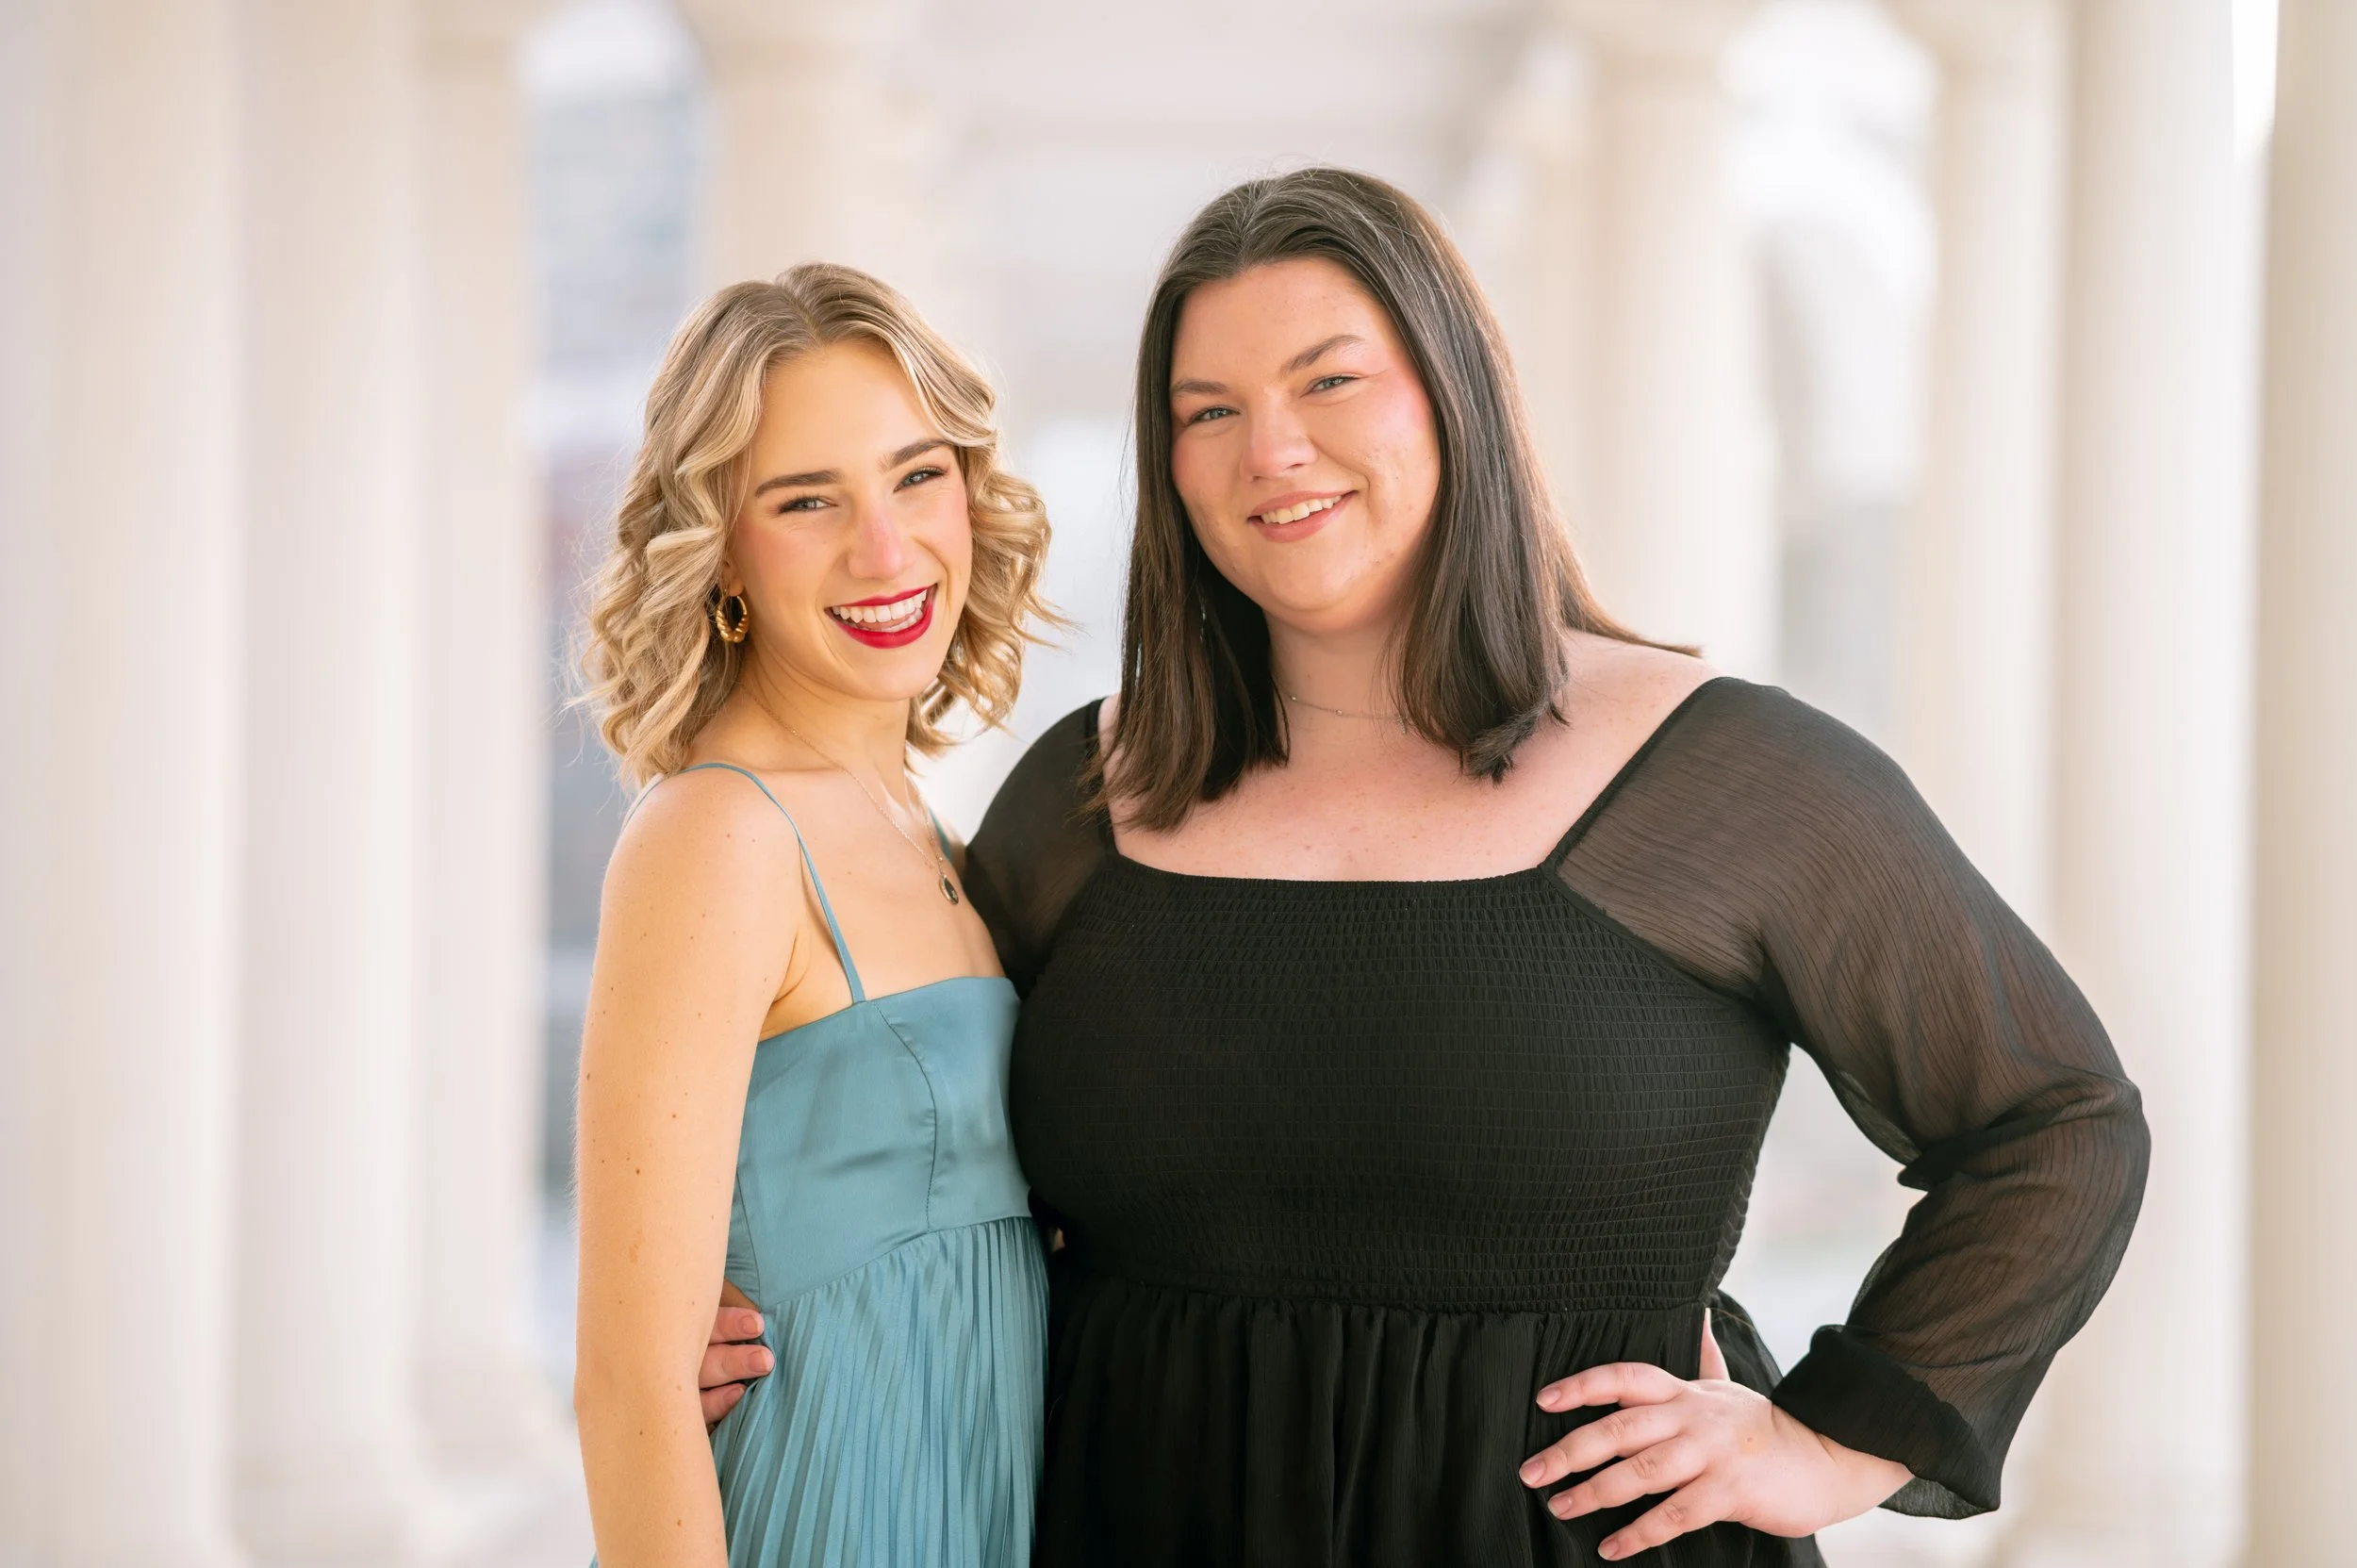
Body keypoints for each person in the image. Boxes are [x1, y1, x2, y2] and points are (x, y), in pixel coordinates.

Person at [701, 168, 2149, 1566]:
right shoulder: (1085, 794)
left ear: (1455, 395)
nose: (1272, 449)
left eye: (1330, 381)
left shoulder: (1726, 779)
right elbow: (906, 1109)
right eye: (1210, 410)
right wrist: (734, 1292)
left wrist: (1831, 1440)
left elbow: (2053, 1118)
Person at [574, 264, 1058, 1568]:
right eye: (806, 500)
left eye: (917, 476)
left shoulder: (933, 833)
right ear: (722, 547)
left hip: (982, 1503)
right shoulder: (718, 835)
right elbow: (628, 1390)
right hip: (830, 1511)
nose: (885, 551)